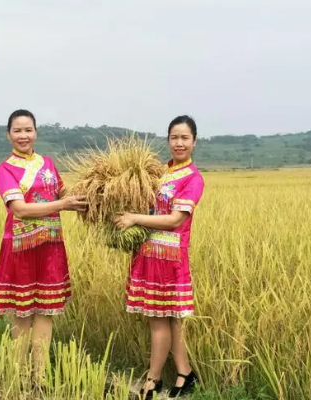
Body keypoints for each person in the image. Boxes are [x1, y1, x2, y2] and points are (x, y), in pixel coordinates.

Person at [0, 109, 87, 383]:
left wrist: (100, 193)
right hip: (21, 249)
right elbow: (19, 209)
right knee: (23, 314)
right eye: (17, 130)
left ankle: (39, 376)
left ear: (36, 132)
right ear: (9, 134)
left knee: (46, 311)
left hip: (50, 248)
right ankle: (17, 374)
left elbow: (66, 196)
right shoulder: (5, 169)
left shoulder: (48, 164)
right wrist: (62, 205)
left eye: (28, 130)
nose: (23, 135)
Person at [114, 115, 205, 399]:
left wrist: (133, 218)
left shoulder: (193, 178)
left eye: (184, 138)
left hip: (169, 258)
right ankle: (185, 373)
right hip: (147, 253)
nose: (179, 143)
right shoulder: (156, 173)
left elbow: (175, 220)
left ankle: (153, 380)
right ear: (168, 140)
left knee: (158, 319)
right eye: (174, 137)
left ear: (194, 141)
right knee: (171, 319)